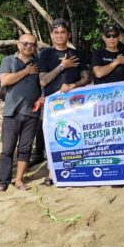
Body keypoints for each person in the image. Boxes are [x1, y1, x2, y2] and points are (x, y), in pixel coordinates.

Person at [31, 19, 90, 176]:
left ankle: (76, 169)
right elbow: (43, 81)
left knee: (75, 138)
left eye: (63, 32)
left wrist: (74, 85)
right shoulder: (45, 54)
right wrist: (62, 66)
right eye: (56, 33)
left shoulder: (77, 54)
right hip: (53, 105)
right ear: (51, 35)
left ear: (68, 34)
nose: (59, 35)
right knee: (54, 138)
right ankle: (52, 173)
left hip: (75, 104)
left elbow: (86, 78)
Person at [0, 34, 41, 191]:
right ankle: (3, 181)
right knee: (7, 149)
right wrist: (27, 71)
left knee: (25, 148)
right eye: (25, 43)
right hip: (11, 112)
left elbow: (43, 83)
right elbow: (5, 80)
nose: (29, 46)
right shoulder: (8, 60)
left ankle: (19, 180)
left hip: (32, 112)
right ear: (18, 44)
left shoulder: (39, 62)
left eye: (32, 44)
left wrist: (41, 98)